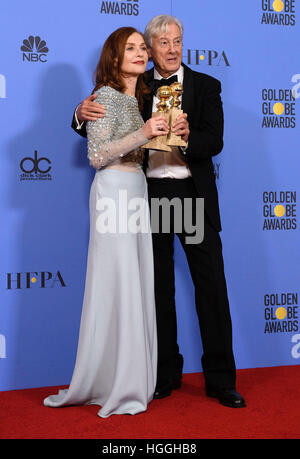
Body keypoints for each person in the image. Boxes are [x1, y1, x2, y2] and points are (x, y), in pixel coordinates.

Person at [72, 15, 246, 408]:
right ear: (150, 49)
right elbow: (104, 121)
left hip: (191, 196)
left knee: (211, 289)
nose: (171, 49)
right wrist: (79, 113)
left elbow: (214, 141)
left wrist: (186, 138)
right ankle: (164, 375)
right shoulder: (138, 85)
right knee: (158, 289)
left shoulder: (206, 85)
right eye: (162, 43)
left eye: (177, 41)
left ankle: (221, 380)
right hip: (148, 197)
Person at [43, 26, 170, 418]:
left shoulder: (142, 97)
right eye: (130, 48)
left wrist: (165, 133)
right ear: (113, 57)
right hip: (113, 190)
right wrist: (144, 133)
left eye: (142, 47)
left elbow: (145, 142)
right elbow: (97, 155)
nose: (141, 53)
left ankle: (130, 376)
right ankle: (112, 381)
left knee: (134, 281)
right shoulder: (104, 98)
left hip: (136, 192)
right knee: (115, 282)